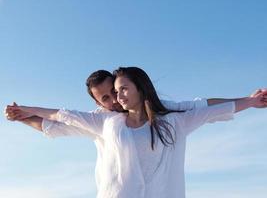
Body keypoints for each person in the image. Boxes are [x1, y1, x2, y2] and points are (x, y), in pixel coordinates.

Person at [5, 67, 267, 198]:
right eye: (107, 98)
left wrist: (248, 100)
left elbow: (203, 107)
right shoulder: (103, 122)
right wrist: (22, 117)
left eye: (118, 91)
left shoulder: (168, 117)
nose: (115, 100)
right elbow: (56, 121)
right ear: (98, 103)